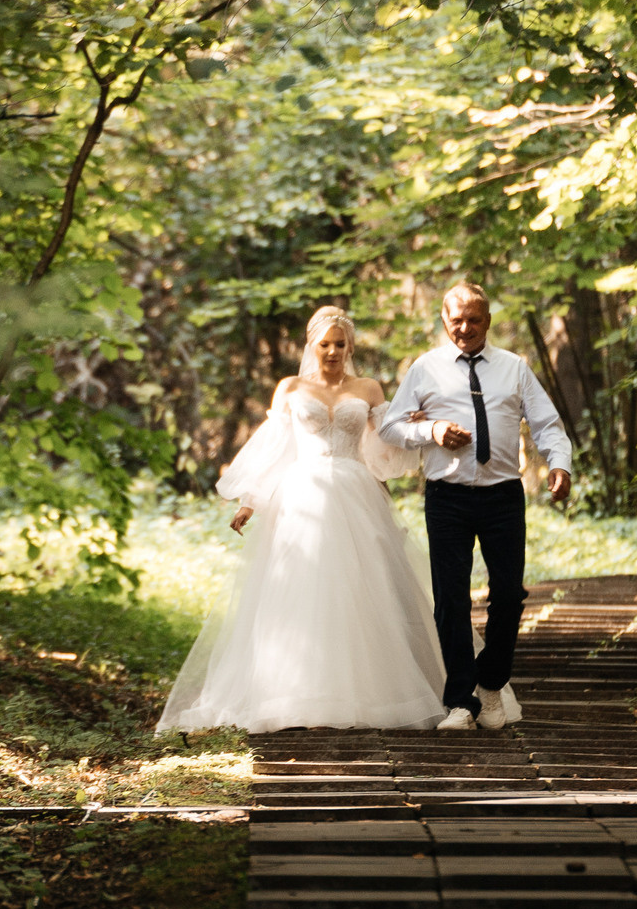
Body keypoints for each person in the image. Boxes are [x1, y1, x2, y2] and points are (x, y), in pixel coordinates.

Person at [156, 306, 447, 734]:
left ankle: (364, 693)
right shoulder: (291, 388)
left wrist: (409, 426)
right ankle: (292, 694)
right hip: (301, 496)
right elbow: (275, 449)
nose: (332, 351)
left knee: (359, 587)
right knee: (301, 588)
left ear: (350, 347)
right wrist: (250, 501)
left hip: (355, 493)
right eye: (324, 344)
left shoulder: (368, 388)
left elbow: (386, 447)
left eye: (340, 344)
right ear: (312, 346)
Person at [377, 282, 575, 731]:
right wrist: (431, 431)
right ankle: (460, 703)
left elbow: (547, 423)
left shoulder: (514, 368)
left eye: (474, 320)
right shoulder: (425, 369)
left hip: (502, 495)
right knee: (450, 599)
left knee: (509, 595)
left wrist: (559, 464)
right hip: (446, 497)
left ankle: (491, 682)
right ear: (444, 321)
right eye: (456, 321)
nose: (464, 328)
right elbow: (390, 426)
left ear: (488, 320)